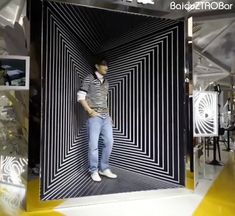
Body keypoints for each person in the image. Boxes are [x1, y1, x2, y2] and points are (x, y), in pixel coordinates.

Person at [77, 58, 117, 182]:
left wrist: (109, 116)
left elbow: (104, 99)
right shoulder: (89, 78)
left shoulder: (106, 82)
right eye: (104, 65)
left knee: (109, 142)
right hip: (94, 117)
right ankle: (93, 170)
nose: (106, 68)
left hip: (106, 117)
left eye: (107, 65)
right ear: (96, 66)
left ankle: (103, 168)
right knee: (93, 145)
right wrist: (90, 111)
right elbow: (80, 96)